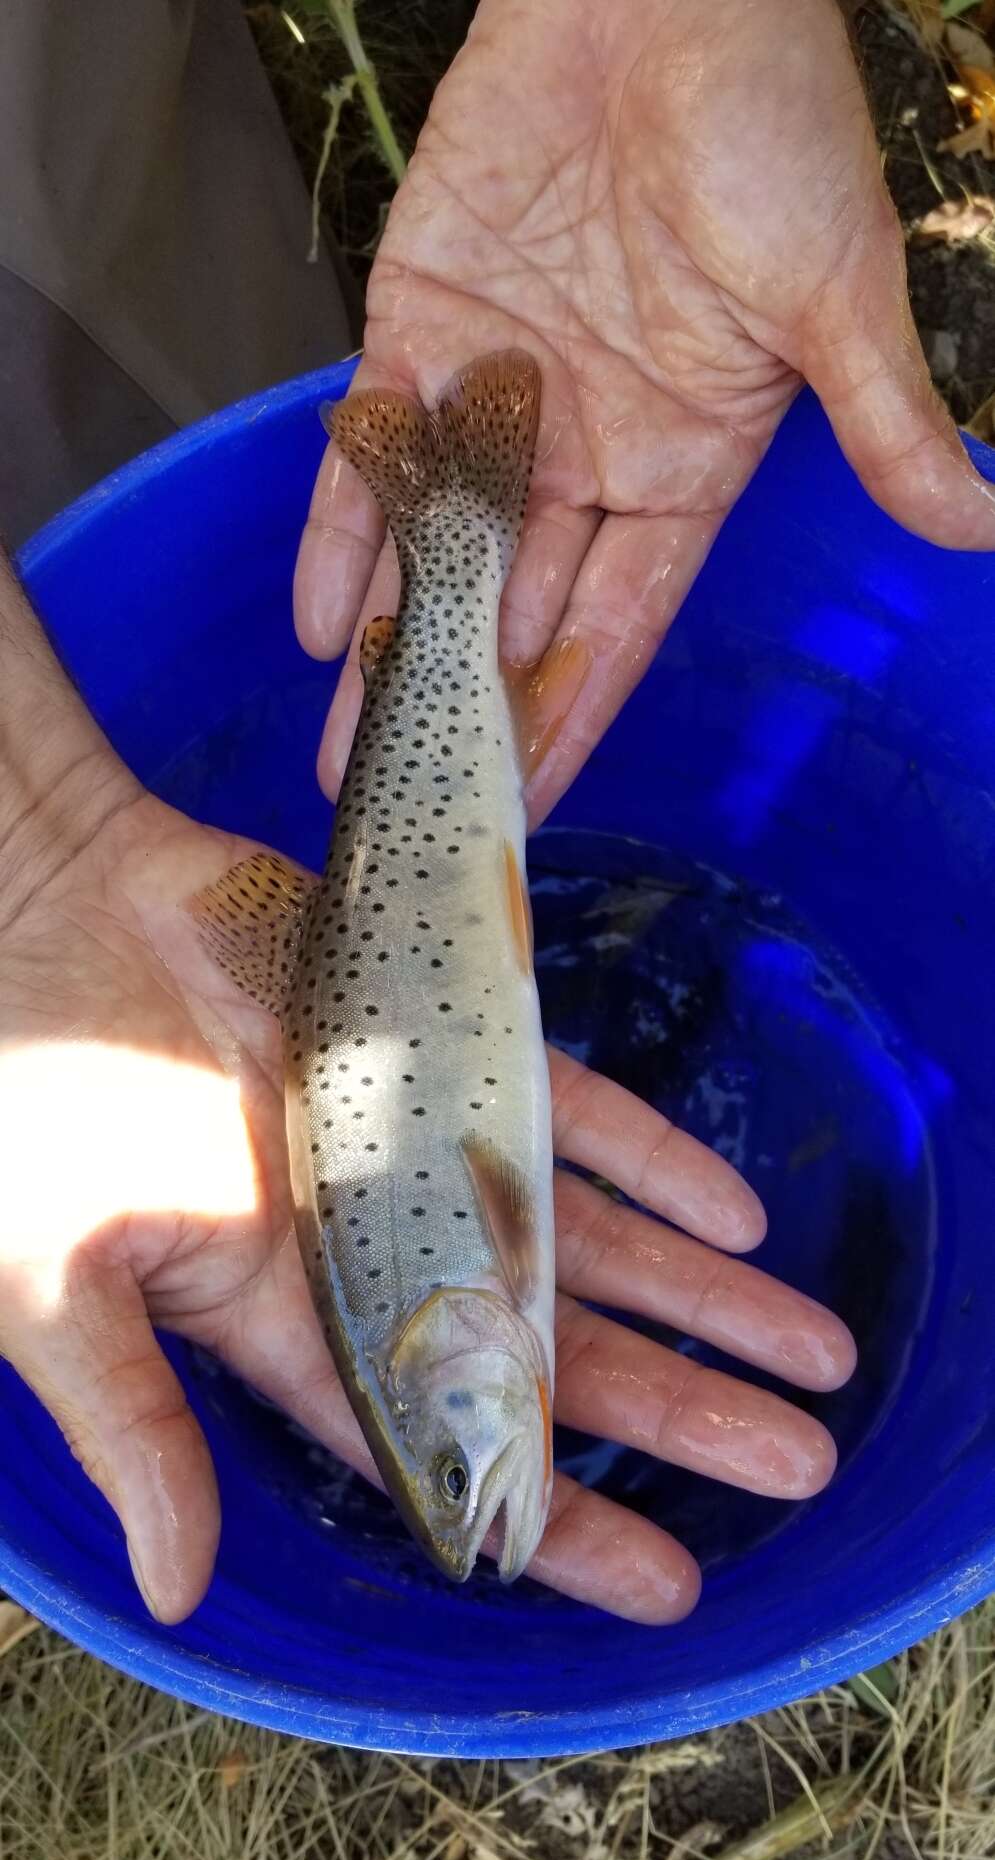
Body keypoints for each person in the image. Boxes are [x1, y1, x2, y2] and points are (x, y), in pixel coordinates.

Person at [0, 0, 988, 1629]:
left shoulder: (472, 1285)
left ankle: (427, 522)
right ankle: (407, 518)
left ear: (437, 1372)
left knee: (92, 217)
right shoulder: (487, 1308)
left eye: (458, 1479)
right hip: (380, 920)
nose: (494, 1498)